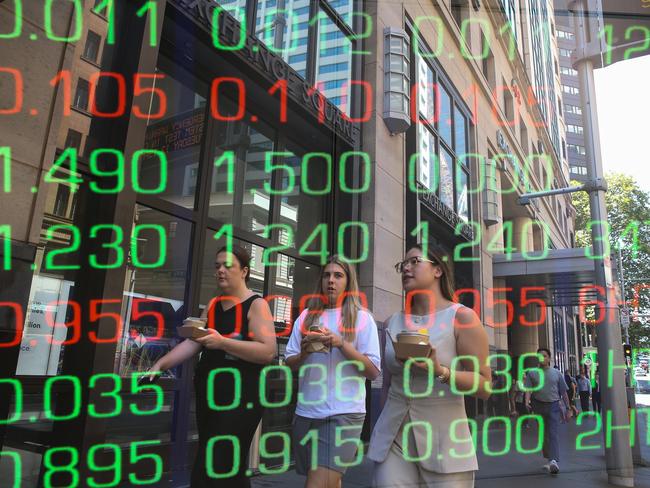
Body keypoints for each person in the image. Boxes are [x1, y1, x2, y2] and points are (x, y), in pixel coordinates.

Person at [149, 246, 277, 487]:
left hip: (242, 396)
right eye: (217, 265)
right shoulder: (214, 304)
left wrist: (222, 342)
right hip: (211, 393)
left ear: (245, 271)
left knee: (222, 462)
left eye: (227, 266)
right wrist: (159, 364)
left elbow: (268, 351)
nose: (220, 270)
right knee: (215, 460)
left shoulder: (256, 305)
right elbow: (193, 342)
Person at [369, 245, 491, 488]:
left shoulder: (462, 317)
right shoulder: (393, 321)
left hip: (445, 442)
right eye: (402, 264)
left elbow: (484, 386)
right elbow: (388, 382)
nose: (405, 267)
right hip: (394, 438)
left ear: (438, 270)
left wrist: (441, 371)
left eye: (414, 261)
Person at [285, 256, 381, 488]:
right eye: (327, 275)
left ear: (348, 282)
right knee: (330, 482)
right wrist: (306, 352)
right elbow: (289, 362)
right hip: (307, 412)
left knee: (316, 483)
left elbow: (373, 371)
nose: (331, 280)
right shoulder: (307, 316)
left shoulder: (361, 318)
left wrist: (341, 344)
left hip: (343, 414)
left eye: (338, 275)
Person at [524, 348, 572, 475]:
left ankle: (553, 460)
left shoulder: (557, 373)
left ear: (549, 358)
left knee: (553, 433)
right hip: (537, 405)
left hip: (553, 405)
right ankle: (549, 456)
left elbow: (563, 392)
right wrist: (526, 402)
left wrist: (568, 407)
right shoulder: (532, 373)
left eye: (545, 356)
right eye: (539, 356)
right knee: (543, 434)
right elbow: (528, 389)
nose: (542, 358)